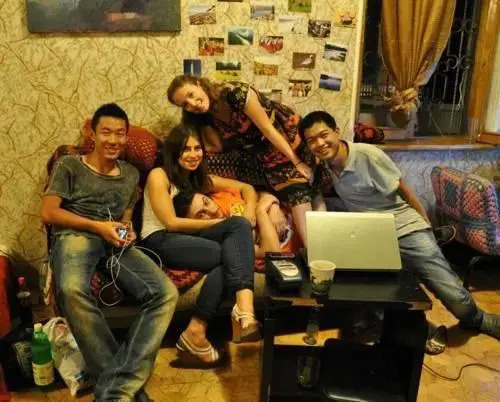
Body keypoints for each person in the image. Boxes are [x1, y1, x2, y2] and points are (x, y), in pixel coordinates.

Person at [298, 110, 500, 340]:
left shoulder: (367, 155)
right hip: (371, 234)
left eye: (324, 135)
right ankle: (415, 327)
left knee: (450, 291)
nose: (319, 143)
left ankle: (478, 318)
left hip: (405, 227)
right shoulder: (324, 167)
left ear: (336, 132)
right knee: (370, 284)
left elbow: (404, 189)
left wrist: (425, 224)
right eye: (311, 140)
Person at [41, 103, 179, 401]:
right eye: (106, 132)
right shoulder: (70, 165)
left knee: (166, 293)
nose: (113, 140)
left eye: (120, 133)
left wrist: (127, 231)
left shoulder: (130, 174)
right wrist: (97, 227)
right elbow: (49, 213)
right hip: (76, 235)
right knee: (71, 291)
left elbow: (126, 216)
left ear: (127, 137)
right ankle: (125, 393)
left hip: (114, 241)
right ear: (92, 134)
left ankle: (115, 390)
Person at [140, 124, 260, 368]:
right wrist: (222, 223)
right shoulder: (159, 175)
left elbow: (246, 188)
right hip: (160, 239)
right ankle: (242, 312)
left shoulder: (198, 178)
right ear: (174, 152)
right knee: (231, 248)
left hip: (187, 236)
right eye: (186, 149)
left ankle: (198, 329)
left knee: (235, 237)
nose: (193, 154)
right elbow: (171, 223)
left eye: (197, 149)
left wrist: (250, 213)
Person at [166, 75, 325, 247]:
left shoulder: (235, 93)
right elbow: (217, 147)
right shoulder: (207, 114)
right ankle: (311, 240)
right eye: (185, 105)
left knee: (298, 188)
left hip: (287, 141)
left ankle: (316, 251)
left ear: (198, 83)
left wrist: (297, 162)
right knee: (211, 163)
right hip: (262, 155)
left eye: (191, 94)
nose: (192, 104)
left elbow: (268, 129)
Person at [172, 188, 301, 258]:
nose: (212, 210)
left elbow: (262, 193)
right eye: (201, 215)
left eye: (206, 202)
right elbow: (272, 251)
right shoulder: (219, 239)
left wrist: (274, 206)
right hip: (298, 250)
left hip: (298, 214)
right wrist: (261, 211)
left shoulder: (221, 196)